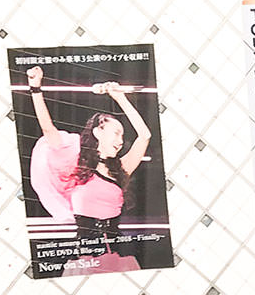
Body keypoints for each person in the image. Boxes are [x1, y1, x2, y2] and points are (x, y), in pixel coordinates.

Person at [18, 64, 156, 276]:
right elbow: (48, 129)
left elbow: (145, 136)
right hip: (84, 260)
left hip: (119, 258)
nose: (120, 141)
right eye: (116, 133)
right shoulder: (75, 164)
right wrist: (35, 88)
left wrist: (120, 98)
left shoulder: (121, 169)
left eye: (122, 135)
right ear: (98, 132)